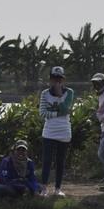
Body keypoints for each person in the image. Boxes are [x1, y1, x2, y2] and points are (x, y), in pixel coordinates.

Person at [39, 66, 74, 197]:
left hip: (64, 131)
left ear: (63, 80)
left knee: (60, 161)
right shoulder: (44, 94)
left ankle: (58, 189)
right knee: (47, 160)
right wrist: (58, 113)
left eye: (59, 79)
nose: (57, 82)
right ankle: (44, 189)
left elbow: (66, 108)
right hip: (49, 131)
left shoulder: (69, 92)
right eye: (54, 79)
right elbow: (42, 113)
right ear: (50, 79)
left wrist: (59, 96)